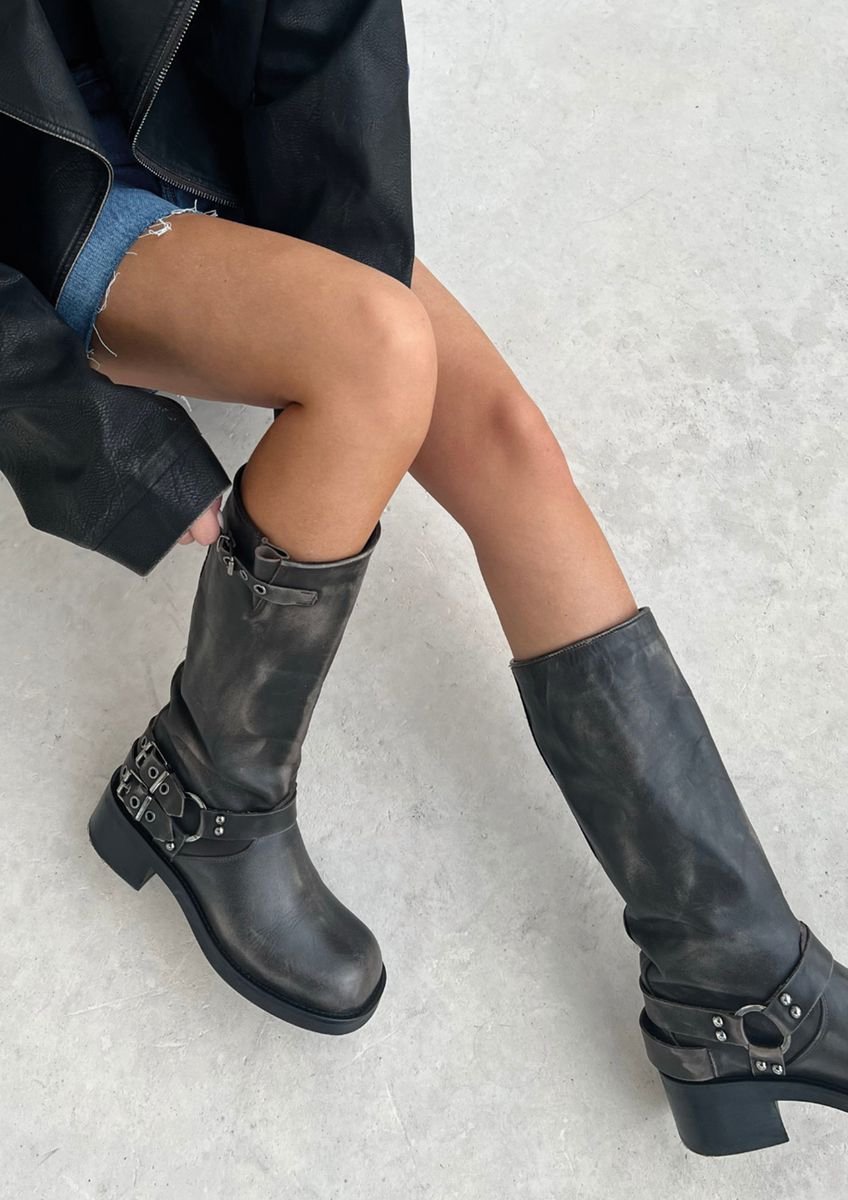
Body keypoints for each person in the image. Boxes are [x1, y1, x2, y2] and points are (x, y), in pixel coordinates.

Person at [2, 0, 846, 1158]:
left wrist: (349, 289)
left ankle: (739, 980)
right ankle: (204, 793)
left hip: (231, 165)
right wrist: (115, 455)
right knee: (379, 352)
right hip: (57, 213)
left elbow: (318, 34)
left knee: (502, 434)